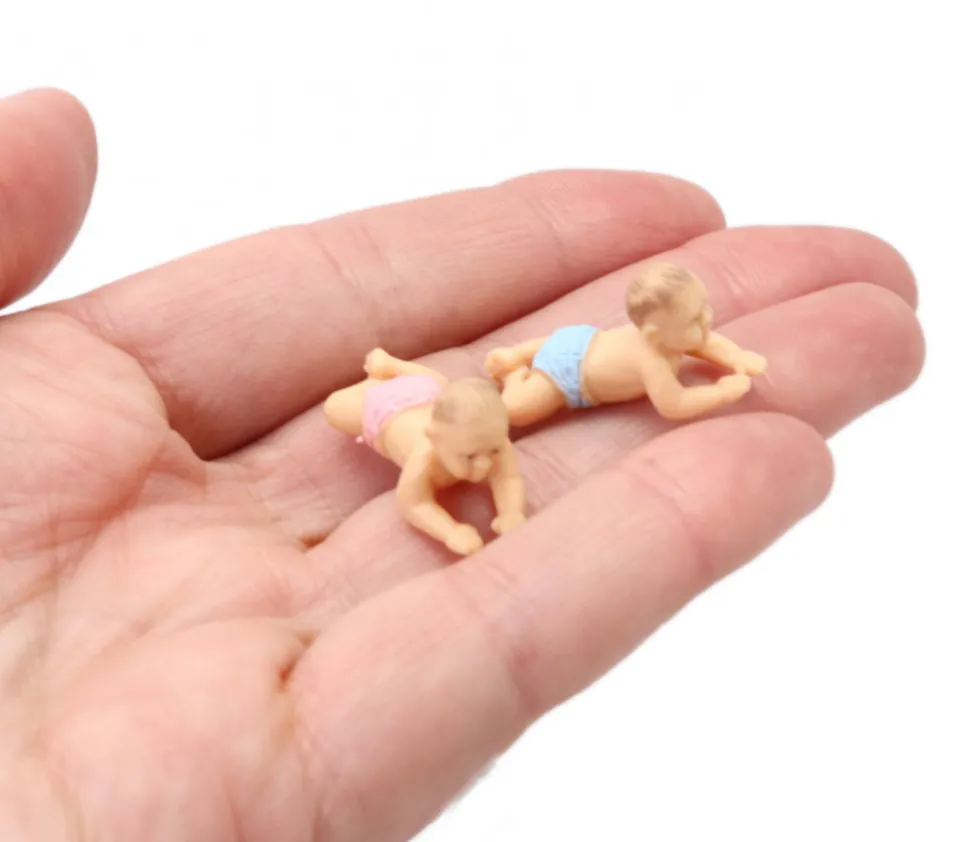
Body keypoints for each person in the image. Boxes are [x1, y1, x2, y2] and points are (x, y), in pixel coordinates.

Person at [0, 88, 924, 842]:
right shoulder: (433, 453)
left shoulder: (645, 355)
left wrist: (730, 364)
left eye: (701, 322)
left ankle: (433, 364)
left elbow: (538, 455)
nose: (489, 460)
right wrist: (453, 523)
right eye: (474, 452)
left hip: (519, 363)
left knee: (499, 386)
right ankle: (397, 370)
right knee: (422, 397)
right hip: (534, 378)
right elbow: (433, 500)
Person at [484, 262, 767, 426]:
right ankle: (513, 373)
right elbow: (675, 404)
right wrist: (721, 392)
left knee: (552, 344)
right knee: (515, 411)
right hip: (567, 374)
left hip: (582, 340)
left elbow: (706, 342)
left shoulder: (671, 339)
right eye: (694, 319)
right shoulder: (652, 362)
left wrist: (736, 356)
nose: (708, 319)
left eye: (705, 306)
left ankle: (515, 353)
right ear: (654, 335)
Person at [323, 349, 525, 555]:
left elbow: (508, 477)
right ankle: (385, 371)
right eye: (470, 457)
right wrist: (450, 531)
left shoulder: (489, 439)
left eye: (494, 450)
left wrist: (511, 511)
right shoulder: (423, 458)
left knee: (442, 384)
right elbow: (414, 504)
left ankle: (390, 366)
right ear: (433, 438)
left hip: (426, 392)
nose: (485, 464)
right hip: (386, 409)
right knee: (333, 409)